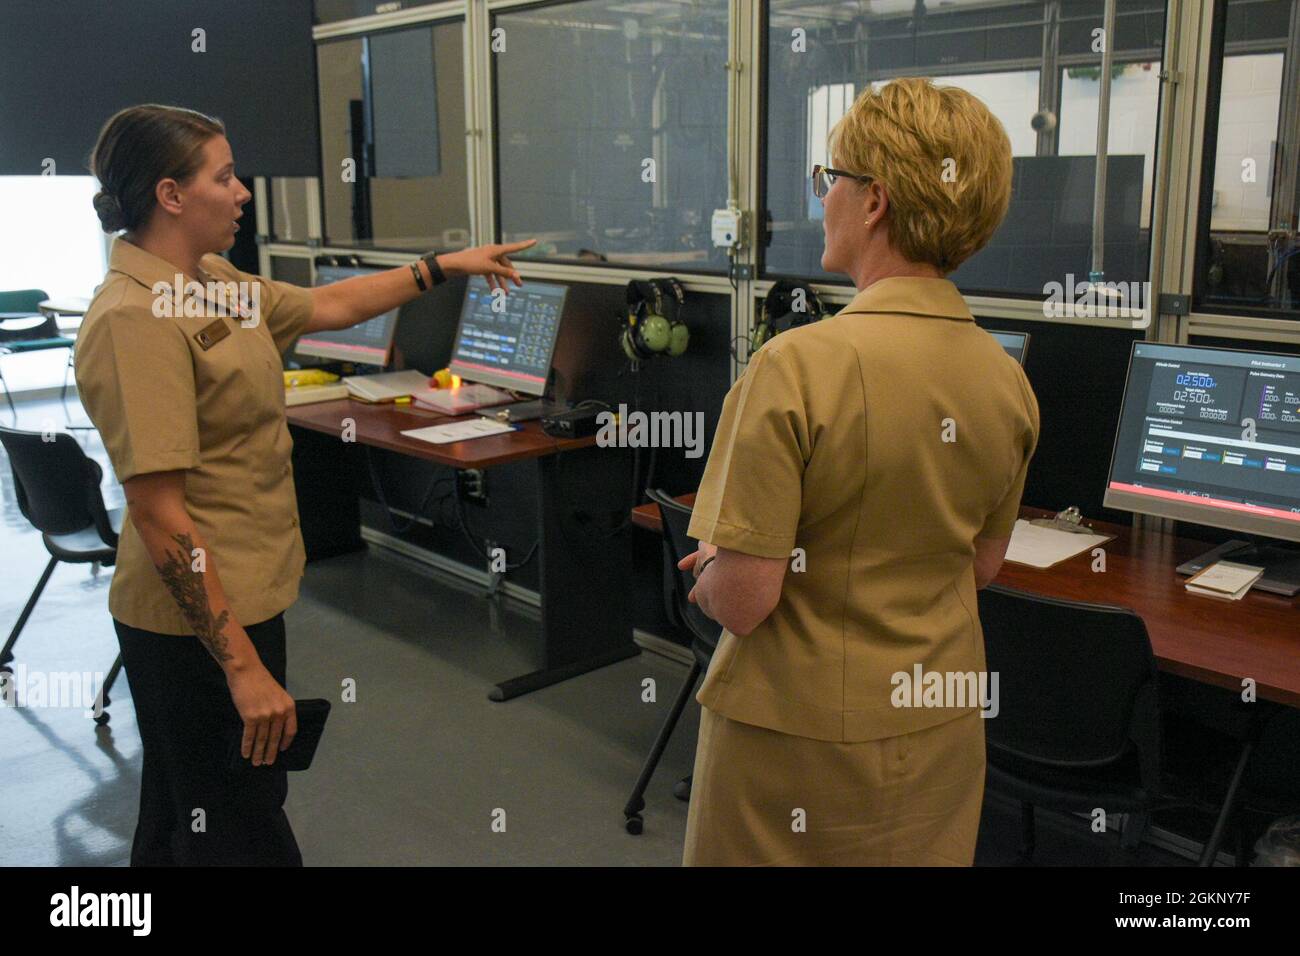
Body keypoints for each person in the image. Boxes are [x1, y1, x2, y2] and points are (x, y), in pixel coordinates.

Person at [74, 103, 535, 865]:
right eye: (224, 176)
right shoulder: (136, 319)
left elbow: (329, 306)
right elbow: (160, 517)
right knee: (239, 826)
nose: (243, 191)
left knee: (184, 810)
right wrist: (243, 669)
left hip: (246, 595)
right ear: (171, 195)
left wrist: (444, 266)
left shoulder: (209, 281)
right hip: (195, 627)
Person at [678, 78, 1040, 866]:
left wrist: (707, 567)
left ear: (873, 201)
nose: (821, 200)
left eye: (828, 180)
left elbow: (743, 602)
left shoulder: (796, 365)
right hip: (938, 733)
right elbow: (979, 566)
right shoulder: (1005, 378)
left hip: (798, 749)